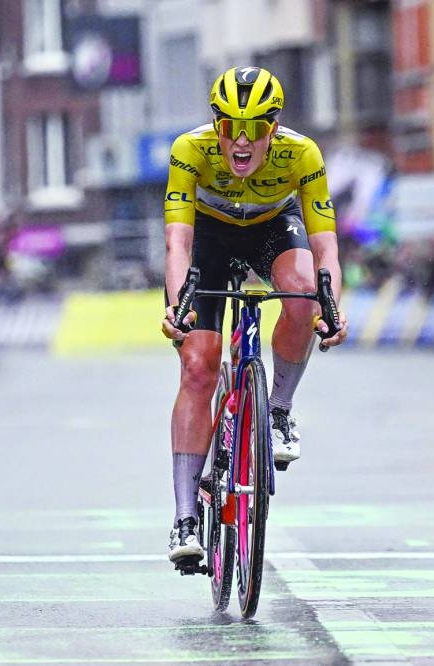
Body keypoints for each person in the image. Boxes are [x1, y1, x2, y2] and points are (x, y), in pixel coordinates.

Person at [160, 66, 349, 565]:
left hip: (272, 227)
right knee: (199, 364)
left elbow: (324, 243)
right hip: (210, 235)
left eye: (257, 128)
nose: (241, 141)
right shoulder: (189, 150)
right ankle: (183, 518)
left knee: (304, 291)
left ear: (275, 127)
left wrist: (332, 306)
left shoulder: (302, 153)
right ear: (215, 123)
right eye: (229, 127)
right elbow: (177, 241)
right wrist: (177, 304)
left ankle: (280, 412)